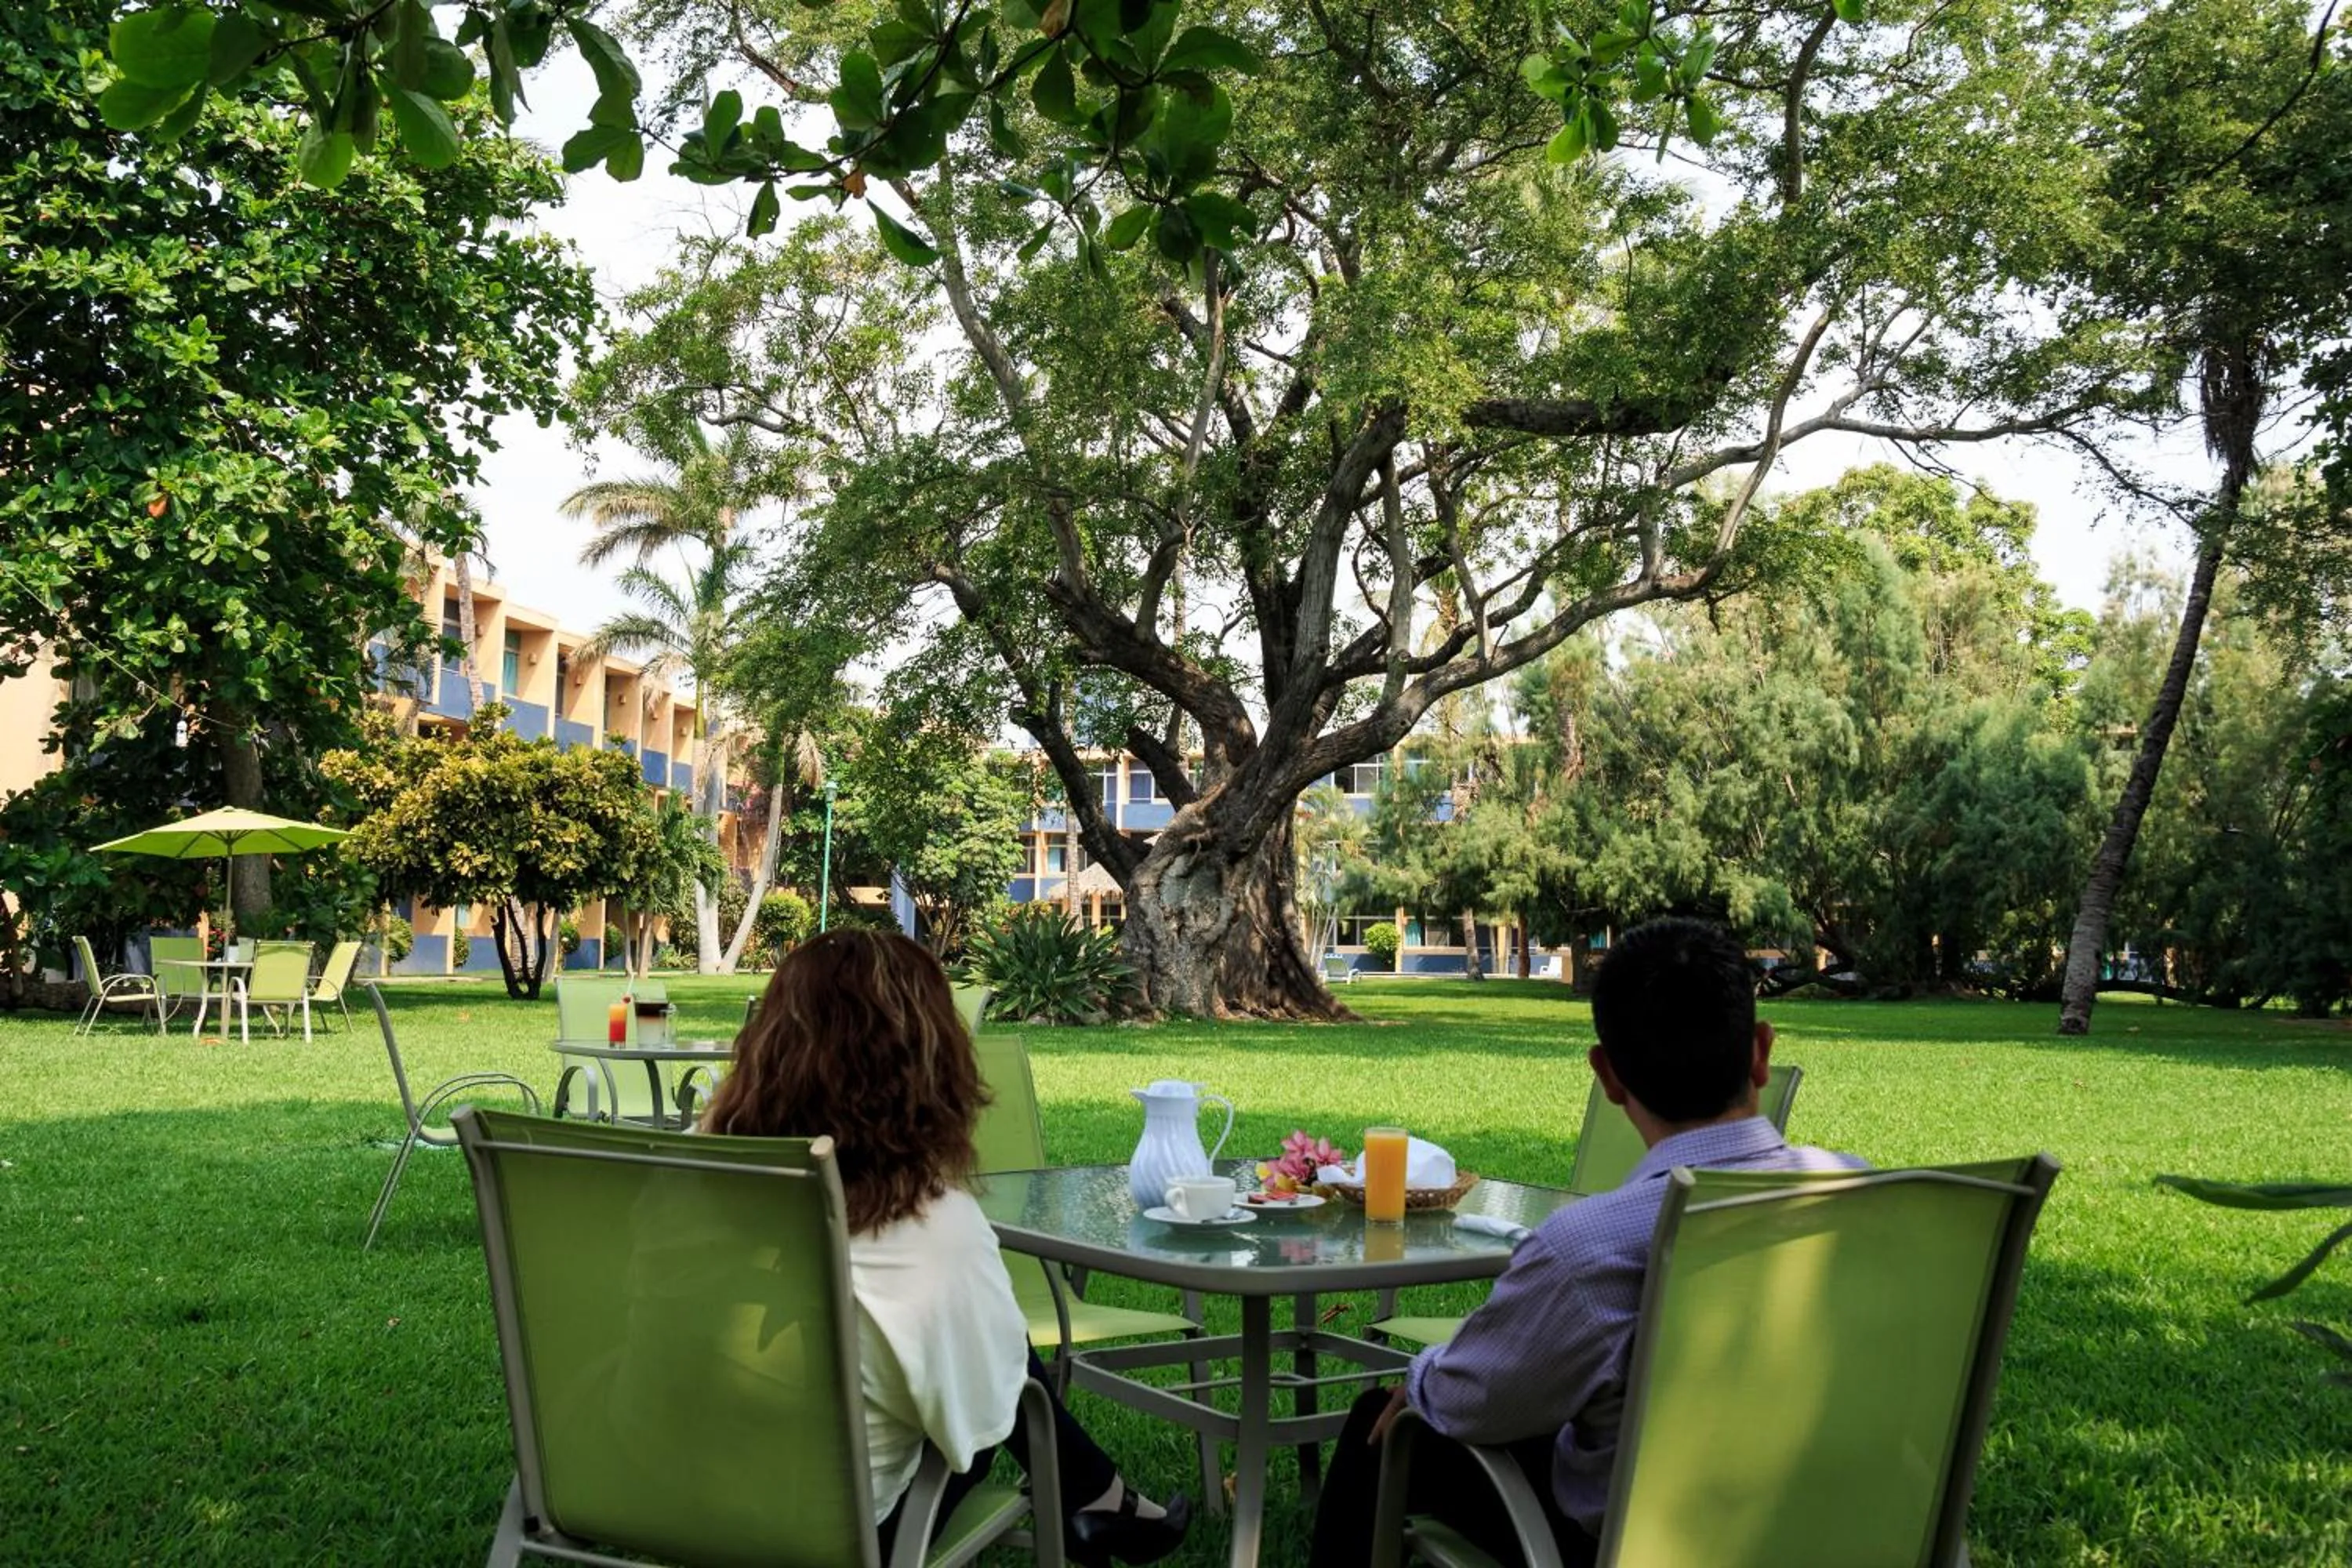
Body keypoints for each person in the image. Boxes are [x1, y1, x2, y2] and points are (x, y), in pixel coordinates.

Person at [1309, 917, 1867, 1567]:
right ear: (1761, 1052)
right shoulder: (1872, 1197)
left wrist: (1425, 1375)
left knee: (1383, 1423)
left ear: (1607, 1075)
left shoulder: (1590, 1247)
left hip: (1653, 1540)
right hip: (1837, 1520)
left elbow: (1473, 1399)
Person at [699, 928, 1192, 1566]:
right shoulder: (935, 1231)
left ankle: (1102, 1495)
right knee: (1004, 1371)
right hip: (833, 1535)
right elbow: (990, 1413)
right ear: (929, 1066)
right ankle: (1098, 1497)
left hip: (649, 1486)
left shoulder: (685, 1182)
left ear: (769, 1047)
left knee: (984, 1348)